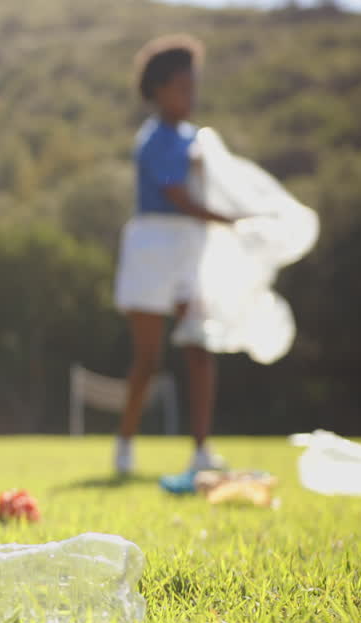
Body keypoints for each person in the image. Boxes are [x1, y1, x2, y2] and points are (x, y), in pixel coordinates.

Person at [113, 35, 235, 476]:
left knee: (199, 346)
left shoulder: (196, 140)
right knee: (149, 357)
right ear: (160, 90)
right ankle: (125, 445)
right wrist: (224, 218)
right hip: (152, 247)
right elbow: (176, 193)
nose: (190, 96)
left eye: (193, 87)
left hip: (189, 248)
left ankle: (202, 450)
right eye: (182, 87)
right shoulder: (152, 140)